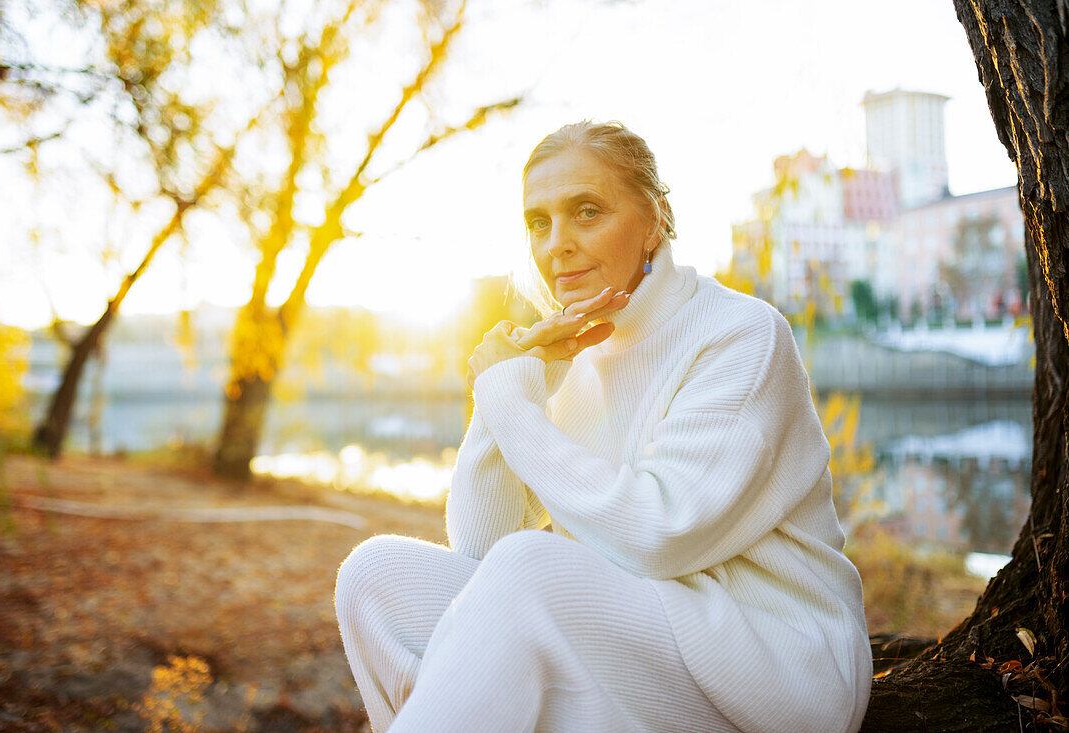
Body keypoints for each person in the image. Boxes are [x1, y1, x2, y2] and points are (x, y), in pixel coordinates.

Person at [334, 120, 873, 732]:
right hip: (641, 644)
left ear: (655, 219)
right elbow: (481, 551)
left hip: (774, 668)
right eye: (539, 223)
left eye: (586, 212)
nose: (555, 244)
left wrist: (508, 398)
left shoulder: (740, 335)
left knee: (529, 567)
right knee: (374, 575)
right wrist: (507, 387)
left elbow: (660, 535)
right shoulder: (571, 353)